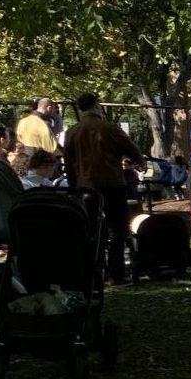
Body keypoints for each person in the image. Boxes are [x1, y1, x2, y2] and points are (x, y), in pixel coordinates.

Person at [64, 93, 146, 283]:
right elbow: (131, 148)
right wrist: (138, 161)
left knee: (91, 229)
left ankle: (94, 272)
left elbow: (69, 163)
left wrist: (73, 186)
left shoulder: (72, 132)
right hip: (112, 183)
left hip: (86, 187)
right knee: (117, 228)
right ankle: (116, 273)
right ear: (96, 106)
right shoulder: (108, 128)